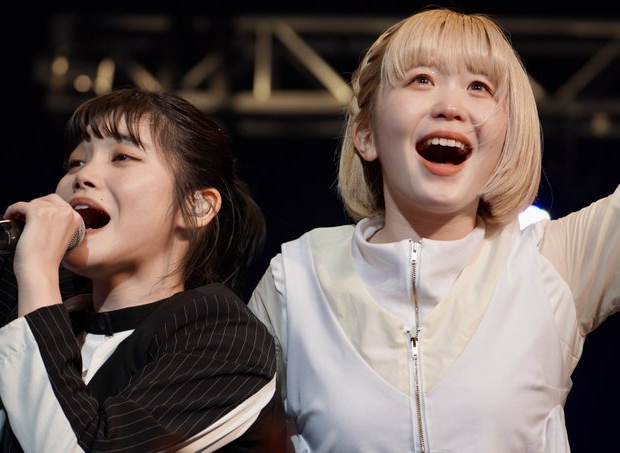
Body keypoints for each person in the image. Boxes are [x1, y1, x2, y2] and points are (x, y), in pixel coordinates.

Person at [248, 7, 619, 453]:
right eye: (421, 79)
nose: (451, 107)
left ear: (506, 138)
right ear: (366, 134)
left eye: (479, 87)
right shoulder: (293, 283)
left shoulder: (551, 264)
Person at [0, 88, 288, 452]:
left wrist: (38, 270)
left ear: (196, 206)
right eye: (75, 162)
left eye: (122, 157)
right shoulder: (53, 303)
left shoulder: (226, 340)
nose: (83, 176)